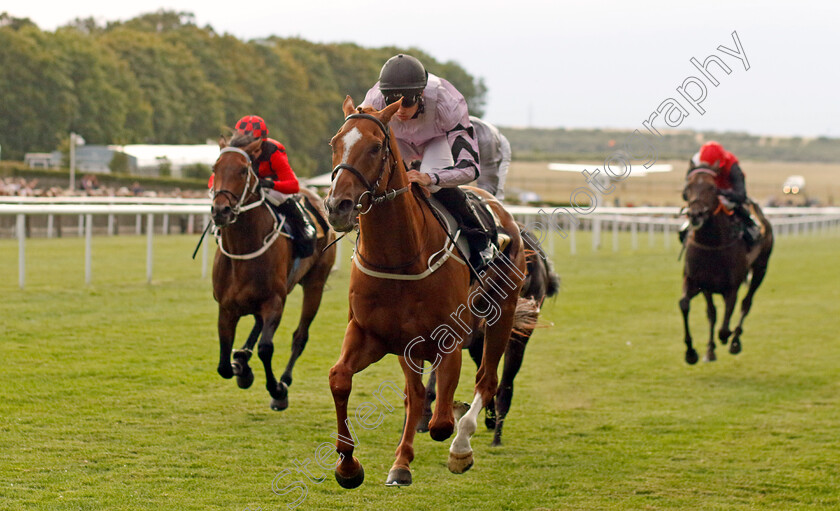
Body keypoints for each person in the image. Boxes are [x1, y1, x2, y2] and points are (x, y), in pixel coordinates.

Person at [361, 54, 495, 272]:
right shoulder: (372, 102)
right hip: (398, 140)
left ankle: (480, 239)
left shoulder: (448, 102)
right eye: (392, 103)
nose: (400, 110)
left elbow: (470, 168)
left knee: (430, 185)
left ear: (421, 94)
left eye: (407, 102)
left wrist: (430, 177)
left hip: (437, 139)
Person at [215, 115, 316, 258]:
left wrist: (270, 184)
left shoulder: (273, 151)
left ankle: (303, 224)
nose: (249, 150)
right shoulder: (233, 153)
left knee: (278, 197)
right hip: (245, 190)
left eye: (252, 144)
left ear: (261, 141)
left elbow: (293, 186)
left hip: (273, 188)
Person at [682, 141, 759, 245]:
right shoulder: (695, 162)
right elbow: (685, 193)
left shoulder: (732, 165)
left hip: (728, 195)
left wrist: (721, 192)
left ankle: (751, 228)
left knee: (738, 209)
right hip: (705, 199)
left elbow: (741, 195)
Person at [470, 116, 511, 200]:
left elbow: (488, 183)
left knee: (494, 196)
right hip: (474, 144)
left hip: (495, 145)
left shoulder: (486, 139)